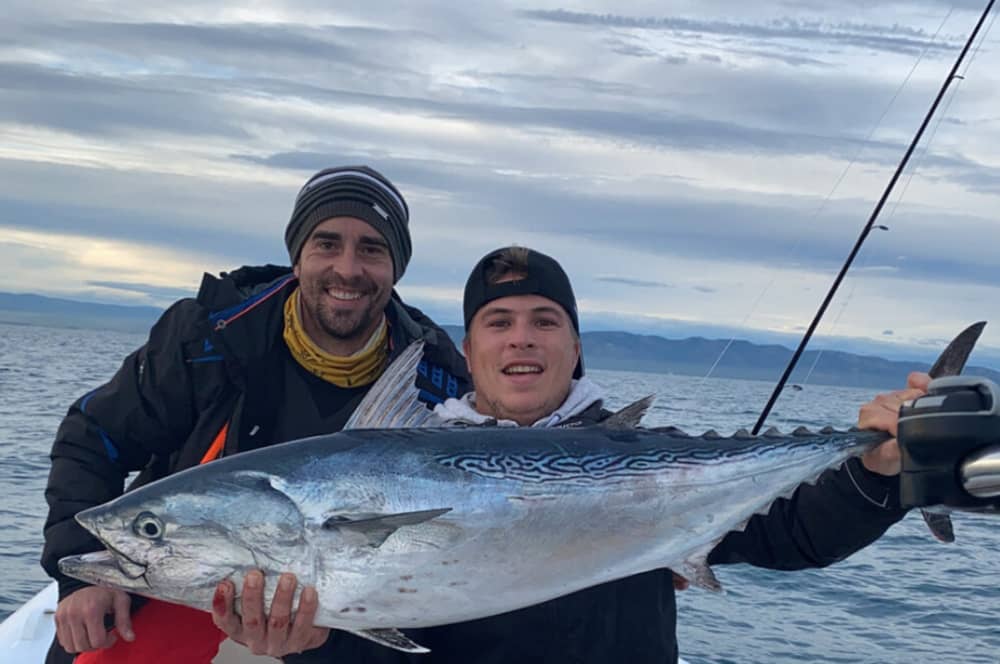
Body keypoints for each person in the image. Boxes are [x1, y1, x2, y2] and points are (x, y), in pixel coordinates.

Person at [212, 246, 928, 663]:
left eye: (544, 321)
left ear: (575, 346)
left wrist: (875, 473)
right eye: (498, 322)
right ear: (468, 352)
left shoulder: (656, 459)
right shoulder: (380, 460)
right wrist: (303, 640)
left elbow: (793, 533)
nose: (521, 338)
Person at [41, 166, 471, 663]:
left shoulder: (435, 376)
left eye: (372, 249)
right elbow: (94, 436)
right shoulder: (208, 339)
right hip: (181, 580)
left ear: (396, 267)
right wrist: (76, 578)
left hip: (344, 611)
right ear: (297, 257)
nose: (348, 269)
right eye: (327, 245)